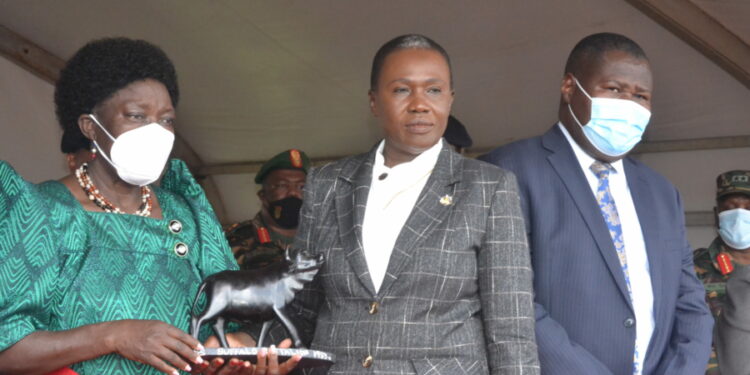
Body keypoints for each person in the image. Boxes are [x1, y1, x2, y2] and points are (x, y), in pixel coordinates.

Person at [0, 37, 297, 375]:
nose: (155, 132)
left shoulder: (188, 215)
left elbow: (234, 322)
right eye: (137, 116)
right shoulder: (40, 212)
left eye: (166, 120)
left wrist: (237, 352)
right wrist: (114, 335)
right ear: (89, 127)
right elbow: (7, 348)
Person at [264, 34, 539, 374]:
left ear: (450, 100)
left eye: (434, 90)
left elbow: (510, 328)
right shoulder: (327, 184)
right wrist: (260, 348)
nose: (420, 104)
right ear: (374, 102)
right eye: (401, 90)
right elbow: (300, 303)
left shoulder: (488, 187)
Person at [479, 32, 712, 374]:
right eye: (614, 89)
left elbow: (690, 303)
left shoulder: (662, 193)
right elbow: (510, 302)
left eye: (641, 96)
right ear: (570, 88)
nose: (629, 105)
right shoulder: (506, 173)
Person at [693, 170, 750, 374]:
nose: (740, 215)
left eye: (748, 208)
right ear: (717, 214)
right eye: (730, 208)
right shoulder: (693, 269)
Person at [225, 149, 310, 270]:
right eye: (282, 185)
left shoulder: (326, 239)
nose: (293, 193)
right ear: (262, 195)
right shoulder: (233, 241)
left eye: (302, 187)